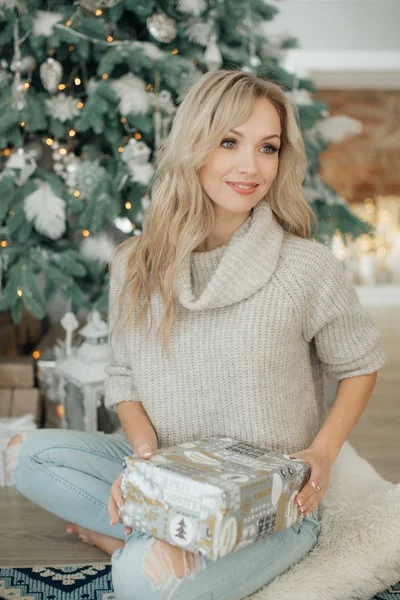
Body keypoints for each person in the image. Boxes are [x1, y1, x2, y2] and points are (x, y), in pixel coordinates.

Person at [6, 69, 386, 600]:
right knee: (24, 454)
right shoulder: (136, 263)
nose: (251, 167)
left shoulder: (306, 268)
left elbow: (359, 364)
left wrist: (321, 454)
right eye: (229, 141)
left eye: (268, 148)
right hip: (168, 472)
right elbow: (124, 378)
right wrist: (142, 464)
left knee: (140, 579)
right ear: (195, 147)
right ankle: (151, 530)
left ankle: (130, 544)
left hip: (269, 502)